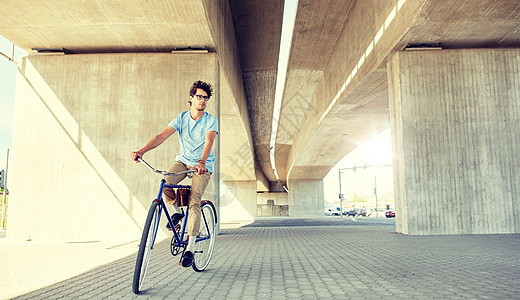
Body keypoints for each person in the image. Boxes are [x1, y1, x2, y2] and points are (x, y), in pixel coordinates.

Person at [131, 80, 218, 268]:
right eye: (199, 96)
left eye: (205, 98)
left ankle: (190, 249)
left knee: (194, 200)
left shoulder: (211, 121)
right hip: (183, 161)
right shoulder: (181, 118)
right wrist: (142, 151)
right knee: (166, 184)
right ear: (191, 98)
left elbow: (209, 142)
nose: (202, 100)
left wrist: (202, 162)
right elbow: (162, 136)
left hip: (202, 165)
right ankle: (178, 214)